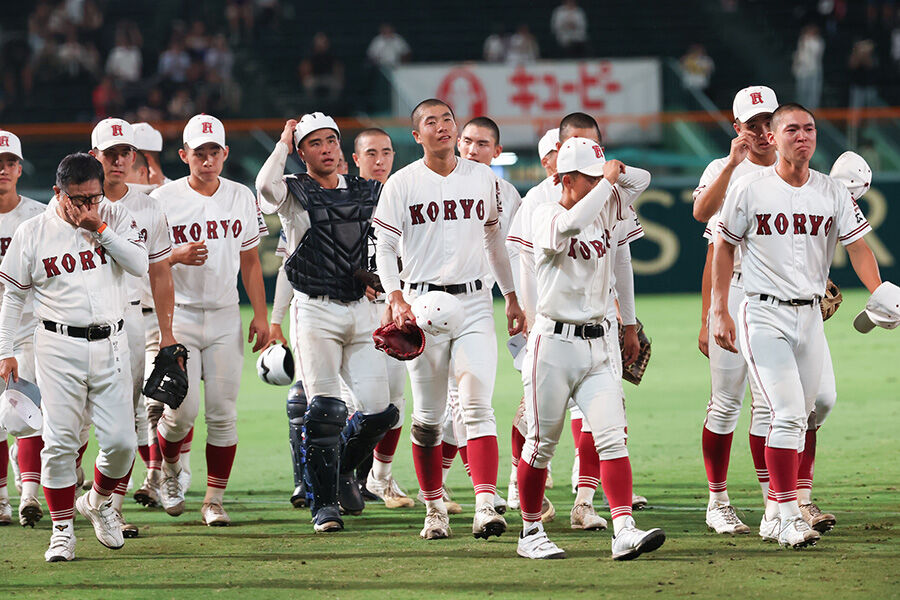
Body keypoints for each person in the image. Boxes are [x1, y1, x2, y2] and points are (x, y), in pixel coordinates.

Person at [711, 103, 883, 549]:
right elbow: (723, 247)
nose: (802, 136)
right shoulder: (749, 188)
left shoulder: (831, 191)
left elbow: (858, 247)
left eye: (809, 128)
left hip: (810, 316)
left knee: (804, 415)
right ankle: (788, 515)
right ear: (772, 136)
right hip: (763, 313)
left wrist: (879, 290)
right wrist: (718, 309)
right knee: (786, 414)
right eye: (792, 129)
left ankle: (774, 515)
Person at [373, 98, 525, 540]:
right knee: (428, 416)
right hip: (421, 303)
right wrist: (395, 296)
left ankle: (485, 505)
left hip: (475, 303)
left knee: (477, 404)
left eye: (447, 119)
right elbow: (385, 247)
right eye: (431, 121)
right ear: (416, 135)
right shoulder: (401, 183)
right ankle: (434, 508)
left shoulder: (483, 179)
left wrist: (511, 296)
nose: (441, 126)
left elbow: (494, 242)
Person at [516, 136, 665, 560]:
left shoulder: (604, 206)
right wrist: (608, 183)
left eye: (600, 177)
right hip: (552, 344)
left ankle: (624, 530)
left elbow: (643, 179)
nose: (600, 183)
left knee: (613, 440)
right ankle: (530, 532)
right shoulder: (545, 214)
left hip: (599, 344)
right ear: (565, 179)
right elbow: (570, 225)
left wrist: (613, 170)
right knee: (541, 444)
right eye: (589, 177)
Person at [0, 152, 148, 561]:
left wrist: (99, 227)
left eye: (93, 197)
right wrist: (6, 350)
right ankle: (62, 531)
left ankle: (97, 502)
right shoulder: (33, 231)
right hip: (57, 345)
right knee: (60, 442)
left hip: (112, 342)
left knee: (122, 443)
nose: (86, 206)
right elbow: (13, 297)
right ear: (57, 192)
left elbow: (138, 264)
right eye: (77, 199)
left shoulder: (113, 216)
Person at [257, 113, 399, 532]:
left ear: (340, 146)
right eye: (315, 143)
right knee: (325, 410)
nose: (326, 149)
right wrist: (283, 141)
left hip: (361, 310)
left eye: (331, 141)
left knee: (379, 412)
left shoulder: (366, 190)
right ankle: (324, 506)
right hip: (315, 310)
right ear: (302, 152)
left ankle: (339, 472)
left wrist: (383, 279)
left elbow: (388, 242)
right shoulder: (293, 190)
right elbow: (264, 186)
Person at [152, 114, 269, 526]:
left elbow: (251, 260)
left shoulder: (240, 195)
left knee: (222, 414)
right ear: (183, 154)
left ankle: (214, 500)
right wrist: (174, 257)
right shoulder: (163, 199)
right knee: (180, 414)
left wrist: (261, 315)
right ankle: (169, 471)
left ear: (225, 153)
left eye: (213, 151)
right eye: (198, 152)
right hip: (180, 315)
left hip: (224, 316)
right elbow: (146, 263)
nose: (207, 159)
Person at [692, 86, 779, 535]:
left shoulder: (795, 165)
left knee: (771, 404)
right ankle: (717, 501)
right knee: (726, 402)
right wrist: (710, 315)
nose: (762, 132)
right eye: (753, 124)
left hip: (779, 295)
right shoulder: (721, 168)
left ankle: (775, 502)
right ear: (737, 128)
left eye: (769, 121)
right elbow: (702, 218)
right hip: (737, 289)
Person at [88, 118, 177, 536]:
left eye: (125, 152)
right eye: (110, 153)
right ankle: (65, 501)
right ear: (95, 156)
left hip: (133, 319)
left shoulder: (149, 206)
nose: (119, 160)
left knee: (128, 415)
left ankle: (111, 506)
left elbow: (160, 272)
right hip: (80, 322)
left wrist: (168, 332)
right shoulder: (73, 202)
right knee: (76, 422)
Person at [351, 128, 415, 509]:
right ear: (356, 158)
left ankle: (380, 478)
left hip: (394, 308)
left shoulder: (404, 195)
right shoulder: (344, 198)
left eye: (387, 152)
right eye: (371, 153)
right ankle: (339, 478)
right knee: (353, 403)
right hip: (354, 310)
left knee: (395, 401)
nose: (380, 160)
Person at [0, 130, 45, 527]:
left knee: (30, 413)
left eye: (9, 162)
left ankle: (29, 496)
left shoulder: (38, 216)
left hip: (28, 330)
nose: (3, 169)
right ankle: (1, 499)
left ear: (19, 168)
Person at [793, 26, 824, 109]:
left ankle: (813, 111)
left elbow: (816, 53)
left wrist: (808, 41)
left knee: (813, 94)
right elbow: (799, 56)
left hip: (814, 71)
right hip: (802, 72)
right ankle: (801, 109)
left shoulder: (818, 42)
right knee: (801, 93)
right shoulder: (802, 40)